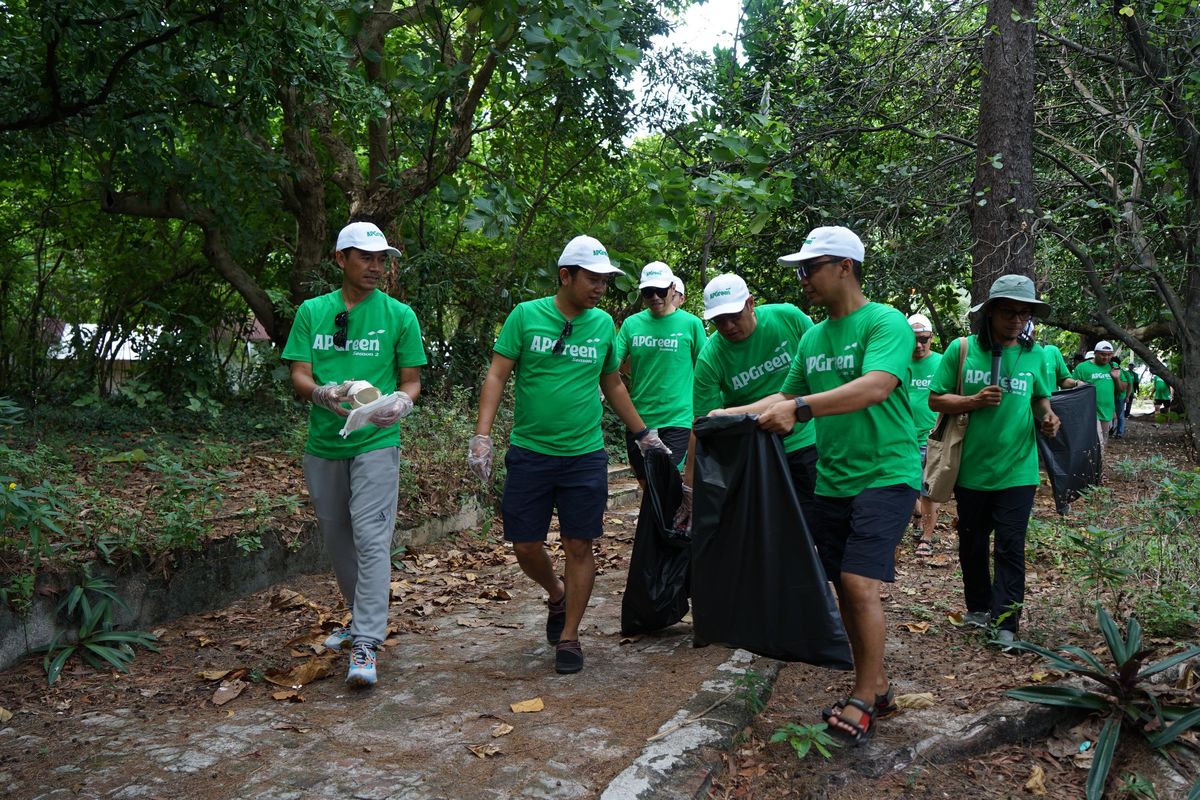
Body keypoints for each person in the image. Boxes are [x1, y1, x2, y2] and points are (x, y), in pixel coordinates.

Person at [714, 226, 921, 746]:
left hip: (887, 474)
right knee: (843, 589)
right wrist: (724, 414)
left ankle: (862, 696)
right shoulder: (811, 336)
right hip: (833, 480)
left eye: (811, 268)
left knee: (857, 583)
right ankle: (877, 684)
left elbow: (876, 386)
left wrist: (800, 408)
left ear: (845, 267)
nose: (802, 278)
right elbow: (783, 395)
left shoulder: (885, 322)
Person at [467, 235, 669, 675]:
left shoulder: (602, 326)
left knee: (580, 543)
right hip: (530, 452)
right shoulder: (526, 316)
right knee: (524, 545)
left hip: (584, 455)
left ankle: (570, 635)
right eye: (592, 279)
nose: (600, 287)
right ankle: (556, 594)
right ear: (566, 276)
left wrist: (642, 434)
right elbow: (498, 374)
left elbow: (613, 382)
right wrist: (482, 436)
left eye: (605, 280)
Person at [282, 220, 427, 688]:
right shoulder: (312, 311)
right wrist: (322, 394)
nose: (376, 266)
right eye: (366, 257)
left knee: (370, 537)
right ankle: (357, 620)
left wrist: (402, 402)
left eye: (381, 258)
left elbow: (411, 380)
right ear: (341, 259)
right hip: (323, 443)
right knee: (339, 540)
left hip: (375, 442)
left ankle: (367, 639)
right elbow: (299, 374)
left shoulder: (400, 315)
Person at [928, 274, 1060, 649]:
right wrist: (973, 401)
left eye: (1024, 313)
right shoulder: (963, 349)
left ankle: (1006, 622)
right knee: (971, 541)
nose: (1016, 320)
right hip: (971, 468)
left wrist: (1048, 417)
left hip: (1018, 468)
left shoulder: (1036, 354)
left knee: (1010, 545)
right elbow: (936, 399)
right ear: (989, 313)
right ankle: (978, 607)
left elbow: (1040, 398)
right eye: (1008, 312)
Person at [678, 272, 817, 522]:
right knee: (767, 528)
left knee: (814, 524)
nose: (728, 326)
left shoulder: (788, 319)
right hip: (756, 452)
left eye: (734, 317)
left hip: (805, 442)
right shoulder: (711, 357)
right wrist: (690, 484)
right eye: (719, 320)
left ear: (750, 303)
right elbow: (702, 425)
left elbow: (820, 372)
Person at [615, 262, 706, 486]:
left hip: (677, 419)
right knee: (647, 486)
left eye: (661, 291)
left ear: (673, 288)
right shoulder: (631, 324)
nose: (654, 297)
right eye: (648, 292)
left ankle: (667, 522)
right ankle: (661, 523)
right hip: (639, 419)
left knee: (665, 484)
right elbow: (612, 366)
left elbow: (706, 371)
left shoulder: (691, 324)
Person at [906, 313, 943, 558]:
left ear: (931, 337)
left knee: (928, 490)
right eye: (913, 340)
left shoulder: (942, 362)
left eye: (924, 339)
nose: (919, 345)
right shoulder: (897, 362)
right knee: (906, 488)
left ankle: (927, 538)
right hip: (902, 438)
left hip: (932, 437)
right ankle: (917, 515)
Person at [1072, 340, 1125, 454]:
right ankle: (1094, 468)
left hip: (1107, 411)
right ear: (1095, 353)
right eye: (1102, 354)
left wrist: (1116, 378)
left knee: (1103, 442)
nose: (1106, 357)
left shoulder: (1113, 366)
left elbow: (1121, 389)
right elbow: (1072, 389)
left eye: (1109, 354)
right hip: (1089, 411)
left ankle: (1096, 466)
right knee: (1097, 442)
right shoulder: (1082, 367)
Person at [1113, 360, 1133, 438]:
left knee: (1120, 415)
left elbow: (1130, 386)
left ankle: (1119, 433)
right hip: (1112, 397)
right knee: (1111, 414)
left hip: (1121, 397)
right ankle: (1111, 430)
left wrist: (1127, 396)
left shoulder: (1125, 373)